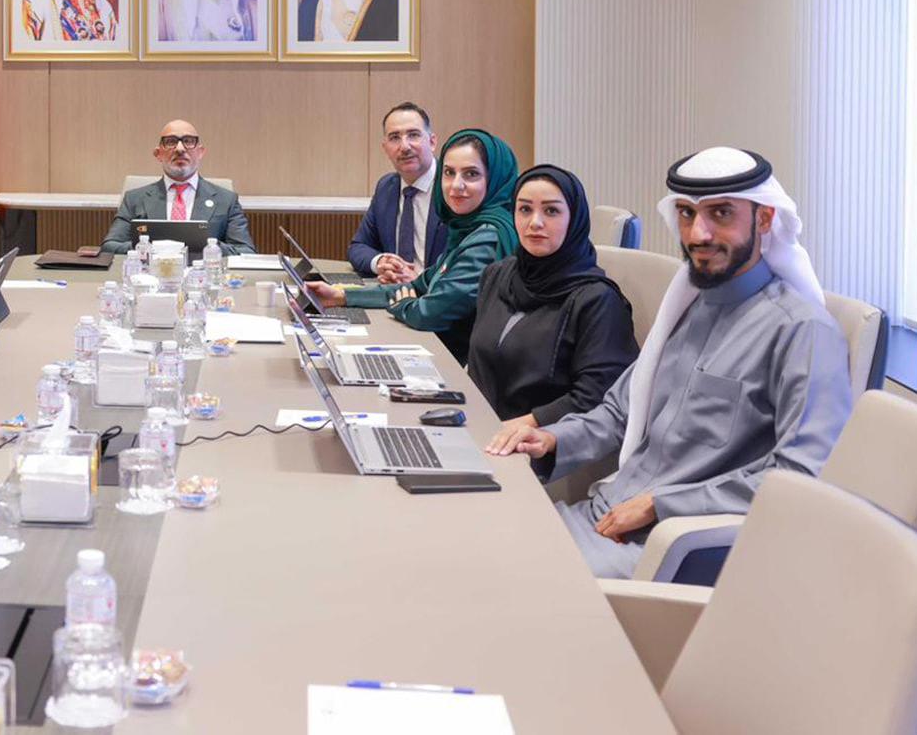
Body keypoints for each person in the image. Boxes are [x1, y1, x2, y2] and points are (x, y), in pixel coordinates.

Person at [487, 147, 853, 579]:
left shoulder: (802, 331)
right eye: (686, 213)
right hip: (604, 514)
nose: (698, 233)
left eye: (721, 214)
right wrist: (551, 439)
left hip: (672, 544)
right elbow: (620, 411)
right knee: (474, 541)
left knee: (501, 579)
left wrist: (662, 504)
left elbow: (803, 476)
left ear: (765, 219)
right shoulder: (688, 308)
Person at [308, 128, 518, 362]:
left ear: (495, 178)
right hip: (440, 351)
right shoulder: (466, 229)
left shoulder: (488, 236)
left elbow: (430, 313)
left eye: (471, 174)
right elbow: (419, 286)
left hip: (457, 366)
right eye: (449, 173)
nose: (455, 185)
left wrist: (405, 304)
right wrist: (340, 296)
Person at [468, 165, 640, 435]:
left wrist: (511, 428)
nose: (535, 222)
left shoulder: (597, 299)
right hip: (478, 427)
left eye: (551, 211)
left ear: (574, 219)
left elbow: (597, 396)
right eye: (525, 209)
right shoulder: (498, 275)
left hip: (542, 442)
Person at [100, 119, 257, 255]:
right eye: (171, 142)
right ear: (158, 154)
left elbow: (246, 251)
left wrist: (205, 245)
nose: (180, 149)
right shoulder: (134, 199)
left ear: (200, 152)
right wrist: (151, 247)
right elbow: (110, 247)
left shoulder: (226, 200)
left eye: (188, 141)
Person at [347, 101, 447, 282]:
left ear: (432, 142)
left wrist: (420, 282)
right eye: (394, 138)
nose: (405, 146)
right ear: (385, 148)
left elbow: (468, 266)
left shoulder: (453, 187)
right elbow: (359, 246)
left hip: (439, 293)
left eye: (413, 135)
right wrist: (380, 262)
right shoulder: (386, 187)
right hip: (392, 290)